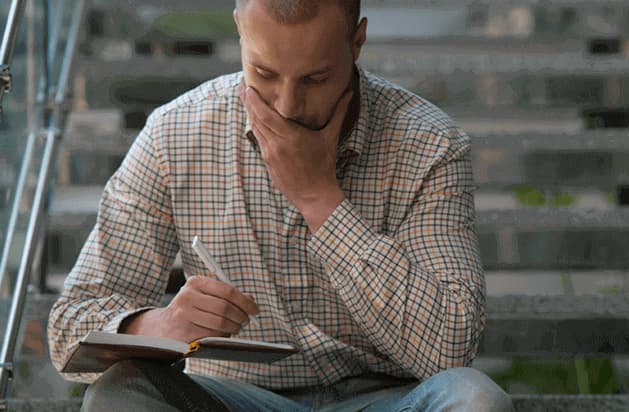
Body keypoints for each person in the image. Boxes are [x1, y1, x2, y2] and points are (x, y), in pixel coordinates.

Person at [48, 0, 510, 410]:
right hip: (227, 399)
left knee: (475, 399)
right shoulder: (175, 135)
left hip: (390, 398)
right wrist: (159, 324)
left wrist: (320, 199)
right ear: (239, 31)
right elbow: (69, 327)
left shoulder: (429, 144)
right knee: (117, 394)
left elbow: (451, 348)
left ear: (357, 42)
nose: (288, 105)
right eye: (264, 74)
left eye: (316, 78)